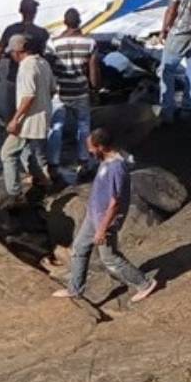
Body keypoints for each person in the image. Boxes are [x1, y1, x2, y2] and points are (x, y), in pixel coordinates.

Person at [53, 128, 157, 303]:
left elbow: (115, 202)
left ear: (100, 146)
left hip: (105, 221)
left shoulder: (117, 168)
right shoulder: (104, 160)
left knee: (109, 258)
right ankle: (75, 288)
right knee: (79, 248)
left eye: (91, 147)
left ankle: (144, 283)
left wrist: (102, 229)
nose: (89, 151)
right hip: (93, 216)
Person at [0, 33, 56, 199]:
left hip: (28, 121)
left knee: (7, 153)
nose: (11, 56)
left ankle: (15, 194)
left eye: (11, 53)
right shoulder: (43, 62)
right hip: (43, 116)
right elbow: (52, 90)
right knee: (26, 152)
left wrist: (15, 119)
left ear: (18, 51)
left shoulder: (26, 66)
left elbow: (28, 96)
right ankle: (43, 179)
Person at [48, 8, 102, 175]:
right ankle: (83, 161)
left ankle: (53, 163)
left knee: (56, 127)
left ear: (65, 22)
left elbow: (50, 69)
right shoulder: (90, 43)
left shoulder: (53, 43)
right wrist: (95, 89)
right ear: (79, 22)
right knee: (83, 126)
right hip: (80, 91)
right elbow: (93, 70)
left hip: (60, 91)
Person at [0, 0, 50, 125]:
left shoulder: (10, 30)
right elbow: (43, 56)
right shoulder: (42, 33)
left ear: (20, 11)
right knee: (31, 111)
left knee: (13, 110)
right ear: (35, 13)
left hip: (13, 76)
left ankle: (12, 131)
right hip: (32, 76)